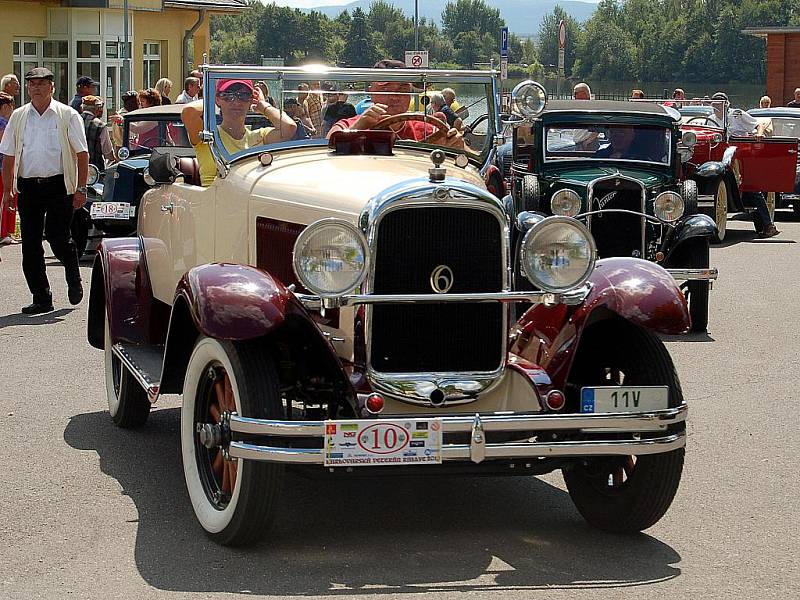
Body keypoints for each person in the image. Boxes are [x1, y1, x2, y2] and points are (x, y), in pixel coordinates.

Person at [0, 67, 89, 314]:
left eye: (41, 83)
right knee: (29, 244)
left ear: (52, 87)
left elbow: (82, 155)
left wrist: (81, 188)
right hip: (29, 186)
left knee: (58, 238)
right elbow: (7, 154)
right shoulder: (18, 116)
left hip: (59, 185)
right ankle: (41, 297)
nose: (36, 88)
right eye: (32, 84)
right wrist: (8, 190)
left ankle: (73, 275)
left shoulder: (67, 115)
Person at [327, 59, 464, 150]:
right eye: (385, 89)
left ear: (410, 93)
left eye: (402, 89)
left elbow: (467, 157)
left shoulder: (429, 129)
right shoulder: (346, 125)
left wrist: (457, 144)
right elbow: (325, 151)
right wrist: (358, 128)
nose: (395, 97)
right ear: (371, 91)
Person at [182, 78, 296, 186]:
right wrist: (215, 99)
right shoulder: (208, 136)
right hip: (214, 203)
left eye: (243, 96)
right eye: (228, 96)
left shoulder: (259, 137)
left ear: (251, 100)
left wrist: (263, 105)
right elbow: (189, 112)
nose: (236, 102)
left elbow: (289, 127)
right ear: (218, 99)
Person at [0, 92, 17, 245]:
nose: (12, 109)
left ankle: (5, 232)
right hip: (3, 167)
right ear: (5, 106)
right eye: (11, 105)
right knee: (4, 201)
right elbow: (6, 147)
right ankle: (3, 232)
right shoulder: (4, 123)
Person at [80, 95, 115, 170]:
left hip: (76, 167)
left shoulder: (74, 121)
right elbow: (108, 153)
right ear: (96, 109)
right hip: (95, 170)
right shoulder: (100, 125)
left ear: (82, 108)